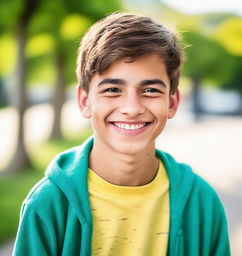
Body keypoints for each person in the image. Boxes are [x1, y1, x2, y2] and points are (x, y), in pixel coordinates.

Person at [13, 12, 230, 256]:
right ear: (85, 102)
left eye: (149, 90)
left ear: (172, 103)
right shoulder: (47, 204)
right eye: (113, 89)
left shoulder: (203, 203)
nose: (132, 108)